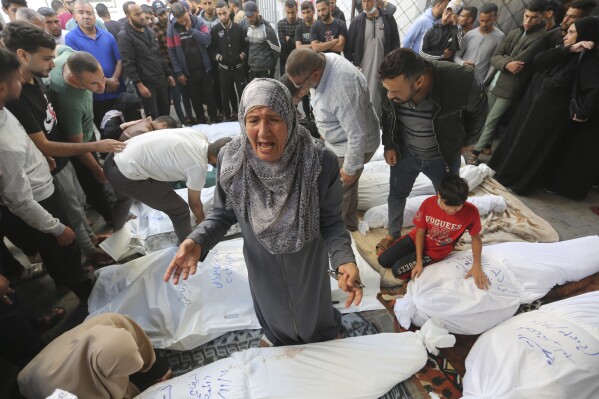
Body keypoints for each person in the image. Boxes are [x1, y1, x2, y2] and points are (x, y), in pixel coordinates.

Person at [164, 78, 363, 347]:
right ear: (242, 122)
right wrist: (197, 240)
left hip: (306, 260)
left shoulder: (318, 160)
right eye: (253, 119)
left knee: (313, 312)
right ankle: (275, 335)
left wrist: (343, 260)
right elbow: (222, 214)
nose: (263, 131)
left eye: (274, 119)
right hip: (261, 261)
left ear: (291, 120)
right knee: (272, 309)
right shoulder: (233, 159)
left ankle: (325, 332)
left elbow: (331, 222)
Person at [4, 21, 124, 266]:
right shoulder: (16, 97)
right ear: (22, 55)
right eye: (47, 58)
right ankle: (91, 253)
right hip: (50, 167)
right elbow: (44, 145)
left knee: (78, 204)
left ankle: (90, 240)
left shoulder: (37, 79)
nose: (53, 63)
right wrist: (94, 147)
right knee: (72, 212)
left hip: (62, 160)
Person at [0, 47, 93, 300]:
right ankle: (83, 291)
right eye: (16, 77)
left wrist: (40, 156)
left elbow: (24, 140)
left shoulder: (4, 110)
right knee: (64, 248)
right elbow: (19, 201)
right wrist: (56, 228)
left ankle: (70, 277)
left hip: (42, 183)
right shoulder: (4, 145)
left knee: (63, 251)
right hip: (39, 201)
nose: (23, 79)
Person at [375, 48, 487, 255]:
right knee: (397, 194)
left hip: (441, 156)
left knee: (448, 200)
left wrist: (469, 140)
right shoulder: (391, 83)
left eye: (396, 93)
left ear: (418, 81)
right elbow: (386, 113)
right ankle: (393, 233)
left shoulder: (460, 81)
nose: (389, 96)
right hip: (406, 154)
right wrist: (390, 144)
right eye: (387, 90)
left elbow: (479, 110)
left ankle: (443, 236)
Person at [489, 17, 599, 198]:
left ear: (585, 36)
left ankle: (517, 182)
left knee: (531, 148)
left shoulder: (588, 61)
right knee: (515, 141)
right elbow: (538, 61)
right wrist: (569, 49)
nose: (566, 36)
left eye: (572, 33)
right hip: (529, 109)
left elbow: (594, 89)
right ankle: (501, 173)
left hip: (549, 118)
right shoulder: (564, 53)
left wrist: (583, 110)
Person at [286, 48, 380, 232]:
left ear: (315, 74)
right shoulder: (321, 63)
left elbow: (357, 133)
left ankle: (337, 234)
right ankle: (350, 224)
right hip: (339, 139)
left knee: (338, 192)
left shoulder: (343, 86)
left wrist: (350, 169)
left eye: (300, 85)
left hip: (352, 145)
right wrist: (325, 132)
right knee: (347, 189)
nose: (300, 91)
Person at [104, 131, 231, 242]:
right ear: (220, 160)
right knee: (180, 210)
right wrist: (201, 219)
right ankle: (189, 248)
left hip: (113, 157)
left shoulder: (198, 136)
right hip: (124, 175)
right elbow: (195, 203)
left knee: (124, 199)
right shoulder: (198, 167)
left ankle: (117, 230)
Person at [468, 0, 549, 164]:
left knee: (492, 120)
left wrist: (503, 60)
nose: (528, 21)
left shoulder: (541, 37)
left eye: (533, 18)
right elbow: (495, 56)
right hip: (494, 82)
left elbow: (520, 61)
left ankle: (474, 154)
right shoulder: (515, 31)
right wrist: (506, 63)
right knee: (485, 116)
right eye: (526, 16)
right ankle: (485, 146)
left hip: (511, 87)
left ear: (542, 17)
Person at [18, 313, 172, 399]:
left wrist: (157, 369)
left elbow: (140, 345)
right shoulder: (64, 391)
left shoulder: (111, 322)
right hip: (37, 383)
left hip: (87, 362)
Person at [378, 175, 488, 289]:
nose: (451, 211)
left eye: (457, 208)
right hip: (415, 239)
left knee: (397, 271)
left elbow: (476, 239)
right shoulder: (429, 203)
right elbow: (420, 231)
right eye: (447, 206)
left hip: (436, 250)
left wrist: (477, 265)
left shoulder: (471, 212)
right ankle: (413, 258)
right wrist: (419, 262)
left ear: (464, 201)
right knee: (383, 260)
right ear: (439, 195)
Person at [48, 47, 114, 225]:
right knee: (93, 180)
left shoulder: (68, 55)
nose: (102, 87)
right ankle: (111, 218)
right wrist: (96, 169)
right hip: (80, 142)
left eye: (102, 78)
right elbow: (78, 147)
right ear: (74, 78)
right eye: (94, 84)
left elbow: (60, 48)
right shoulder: (69, 102)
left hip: (87, 129)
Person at [544, 18, 599, 200]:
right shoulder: (589, 53)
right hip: (589, 114)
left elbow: (593, 87)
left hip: (588, 117)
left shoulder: (593, 57)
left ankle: (567, 188)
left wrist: (583, 111)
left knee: (580, 153)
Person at [66, 0, 124, 131]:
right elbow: (79, 68)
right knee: (106, 130)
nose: (86, 16)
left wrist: (114, 80)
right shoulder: (71, 38)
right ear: (74, 16)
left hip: (117, 91)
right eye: (81, 12)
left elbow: (120, 61)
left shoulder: (107, 35)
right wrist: (106, 81)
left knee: (123, 127)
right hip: (96, 96)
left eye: (89, 13)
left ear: (94, 16)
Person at [118, 1, 175, 119]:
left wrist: (168, 73)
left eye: (141, 13)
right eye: (137, 15)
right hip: (147, 84)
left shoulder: (148, 30)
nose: (142, 17)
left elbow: (158, 54)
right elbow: (128, 64)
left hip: (160, 79)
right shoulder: (125, 36)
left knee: (165, 114)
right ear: (128, 16)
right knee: (154, 117)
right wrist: (139, 85)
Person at [345, 0, 400, 117]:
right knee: (361, 108)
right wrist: (353, 67)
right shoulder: (356, 22)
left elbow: (395, 45)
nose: (366, 4)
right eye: (363, 1)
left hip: (383, 73)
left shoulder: (388, 19)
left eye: (369, 0)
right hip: (362, 74)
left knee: (381, 107)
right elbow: (348, 49)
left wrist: (392, 68)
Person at [167, 2, 218, 124]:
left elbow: (207, 39)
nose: (183, 22)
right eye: (179, 20)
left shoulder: (198, 22)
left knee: (210, 97)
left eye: (184, 18)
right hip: (188, 72)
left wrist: (191, 30)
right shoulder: (172, 28)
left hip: (205, 68)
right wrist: (179, 72)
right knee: (195, 99)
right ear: (175, 18)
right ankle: (201, 123)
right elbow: (172, 52)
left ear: (187, 11)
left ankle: (214, 121)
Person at [152, 0, 193, 125]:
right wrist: (169, 71)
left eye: (164, 12)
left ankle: (190, 116)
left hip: (181, 63)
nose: (163, 16)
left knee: (186, 93)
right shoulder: (155, 28)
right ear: (155, 15)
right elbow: (159, 52)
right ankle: (182, 120)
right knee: (176, 96)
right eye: (160, 14)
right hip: (169, 66)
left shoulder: (174, 23)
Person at [212, 0, 247, 121]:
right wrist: (219, 57)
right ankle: (228, 116)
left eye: (224, 13)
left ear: (229, 11)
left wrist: (242, 55)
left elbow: (245, 45)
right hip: (224, 69)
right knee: (226, 94)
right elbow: (212, 49)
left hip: (238, 68)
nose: (222, 16)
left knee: (242, 93)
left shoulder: (238, 28)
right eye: (219, 14)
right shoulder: (215, 30)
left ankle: (242, 114)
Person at [454, 3, 504, 83]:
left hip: (478, 82)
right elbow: (456, 57)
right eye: (482, 20)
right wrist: (463, 63)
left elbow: (494, 63)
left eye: (487, 21)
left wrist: (484, 83)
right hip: (460, 77)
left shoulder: (500, 37)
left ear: (495, 18)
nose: (484, 24)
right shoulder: (470, 34)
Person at [245, 1, 280, 80]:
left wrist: (271, 65)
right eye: (248, 16)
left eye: (252, 15)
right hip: (252, 68)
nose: (250, 18)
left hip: (266, 68)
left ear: (257, 12)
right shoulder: (246, 26)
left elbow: (276, 49)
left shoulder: (267, 28)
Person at [294, 0, 316, 120]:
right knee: (305, 92)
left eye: (308, 12)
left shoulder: (318, 25)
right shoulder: (299, 28)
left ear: (313, 11)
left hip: (316, 64)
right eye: (304, 12)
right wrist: (315, 45)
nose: (306, 15)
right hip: (304, 65)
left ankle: (315, 115)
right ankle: (308, 116)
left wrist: (308, 46)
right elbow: (298, 47)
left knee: (317, 91)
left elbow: (321, 46)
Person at [278, 0, 302, 76]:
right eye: (288, 12)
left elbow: (304, 43)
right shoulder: (281, 24)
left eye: (292, 12)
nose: (290, 15)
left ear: (297, 11)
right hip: (285, 58)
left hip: (299, 58)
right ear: (285, 11)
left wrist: (289, 39)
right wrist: (297, 42)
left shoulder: (302, 23)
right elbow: (283, 43)